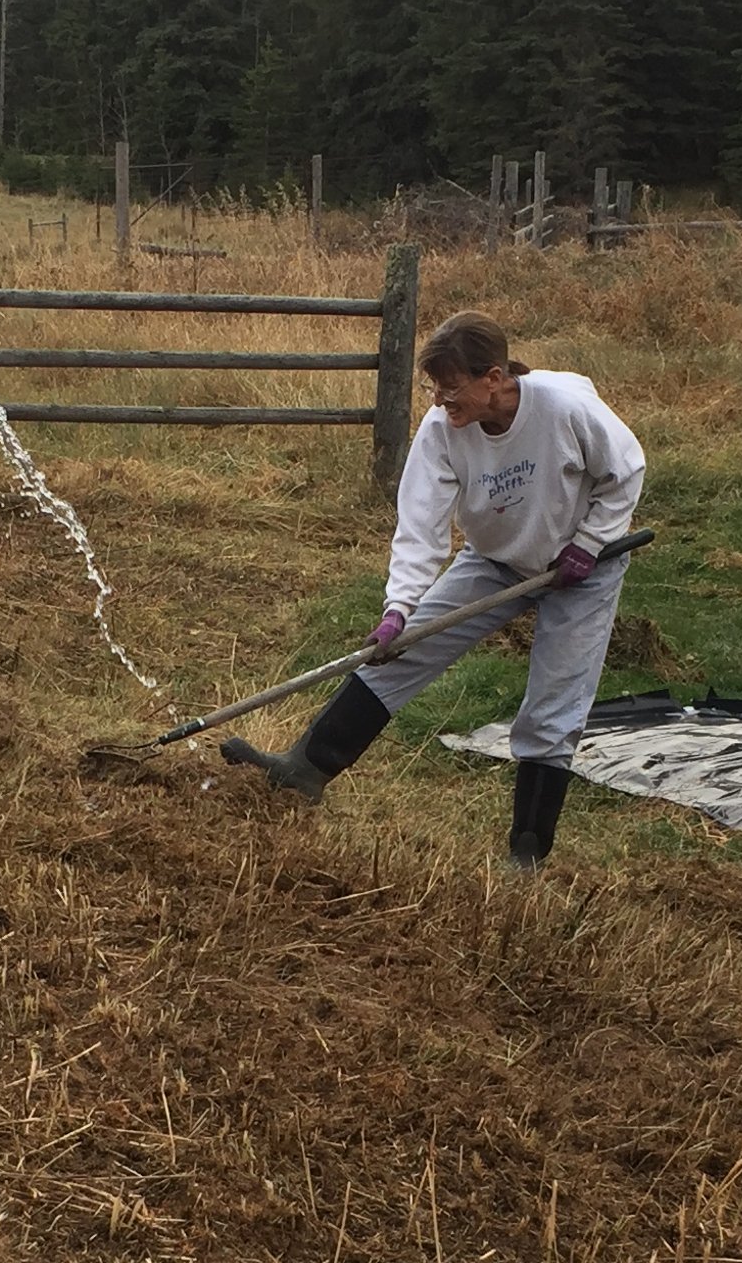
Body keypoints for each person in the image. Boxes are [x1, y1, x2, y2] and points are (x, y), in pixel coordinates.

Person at [225, 311, 645, 867]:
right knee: (401, 651)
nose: (444, 405)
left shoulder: (564, 408)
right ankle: (305, 769)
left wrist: (588, 545)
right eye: (436, 392)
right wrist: (399, 608)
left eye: (453, 391)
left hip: (581, 570)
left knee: (553, 706)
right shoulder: (443, 431)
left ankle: (527, 850)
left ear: (493, 378)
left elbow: (627, 470)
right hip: (495, 558)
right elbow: (420, 524)